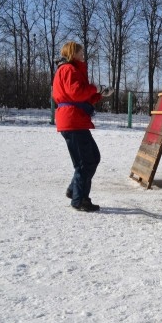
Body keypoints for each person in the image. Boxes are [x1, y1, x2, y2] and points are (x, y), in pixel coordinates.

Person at [52, 41, 113, 211]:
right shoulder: (68, 70)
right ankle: (80, 200)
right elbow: (77, 92)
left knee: (93, 157)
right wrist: (95, 88)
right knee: (85, 162)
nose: (83, 55)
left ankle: (74, 190)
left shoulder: (71, 70)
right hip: (73, 121)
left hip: (75, 119)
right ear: (73, 53)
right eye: (80, 52)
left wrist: (99, 94)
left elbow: (80, 96)